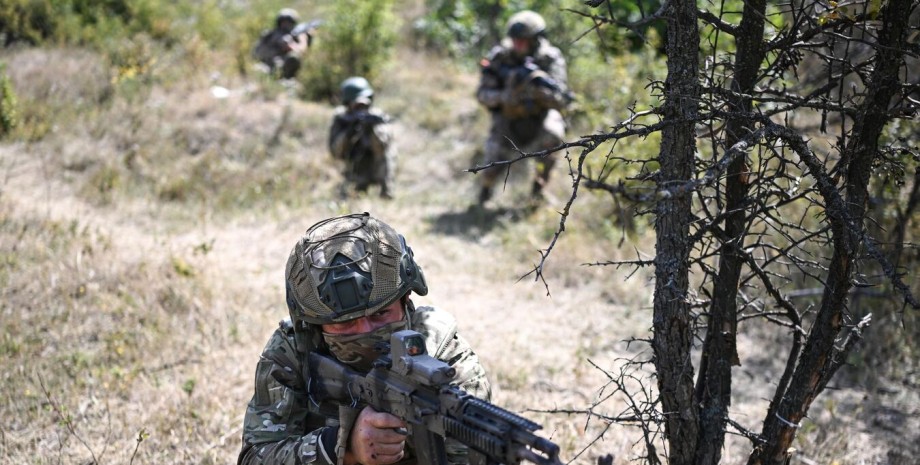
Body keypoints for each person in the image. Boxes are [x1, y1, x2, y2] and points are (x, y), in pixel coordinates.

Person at [238, 212, 491, 465]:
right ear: (314, 326)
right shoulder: (294, 350)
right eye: (345, 322)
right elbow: (255, 457)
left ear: (406, 301)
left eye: (381, 313)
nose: (365, 330)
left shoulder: (443, 352)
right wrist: (343, 445)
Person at [475, 10, 572, 205]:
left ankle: (538, 190)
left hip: (538, 117)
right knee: (491, 169)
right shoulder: (500, 56)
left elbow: (561, 98)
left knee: (554, 134)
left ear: (535, 40)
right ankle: (483, 195)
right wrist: (504, 96)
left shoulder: (550, 58)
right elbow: (482, 94)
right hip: (507, 120)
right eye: (515, 39)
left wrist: (538, 91)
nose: (518, 44)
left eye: (524, 40)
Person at [329, 77, 397, 199]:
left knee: (388, 154)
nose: (361, 108)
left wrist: (371, 129)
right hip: (355, 168)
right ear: (348, 103)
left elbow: (382, 148)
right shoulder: (341, 118)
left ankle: (386, 190)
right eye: (357, 105)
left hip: (375, 167)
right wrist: (349, 132)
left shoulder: (377, 116)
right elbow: (336, 153)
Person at [253, 8, 314, 79]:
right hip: (275, 67)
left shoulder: (275, 33)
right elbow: (299, 50)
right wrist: (303, 39)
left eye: (289, 22)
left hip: (272, 64)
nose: (287, 25)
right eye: (285, 22)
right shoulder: (281, 35)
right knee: (293, 57)